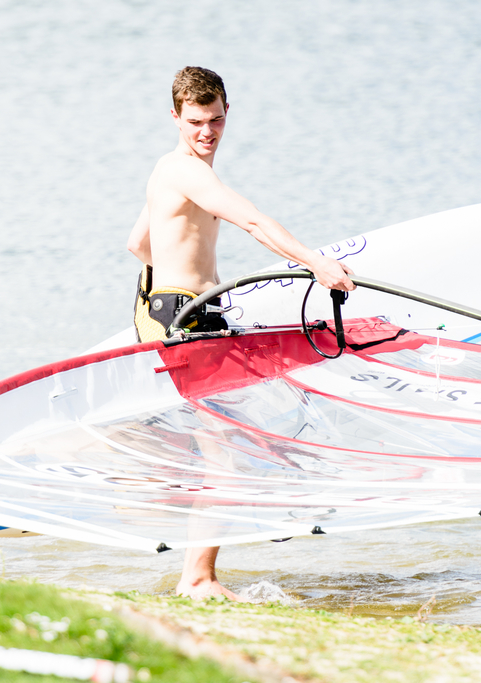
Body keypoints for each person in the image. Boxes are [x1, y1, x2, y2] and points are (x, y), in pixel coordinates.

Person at [126, 66, 355, 600]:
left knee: (221, 445)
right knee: (224, 454)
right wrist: (316, 262)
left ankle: (194, 567)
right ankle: (198, 578)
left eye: (216, 121)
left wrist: (181, 276)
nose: (206, 133)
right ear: (175, 118)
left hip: (175, 311)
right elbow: (252, 221)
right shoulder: (187, 171)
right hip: (186, 318)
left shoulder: (166, 172)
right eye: (195, 122)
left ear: (228, 112)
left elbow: (137, 242)